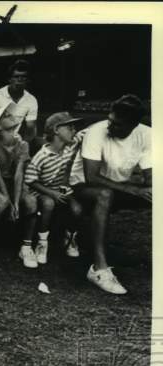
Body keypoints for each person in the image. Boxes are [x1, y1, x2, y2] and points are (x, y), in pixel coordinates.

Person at [68, 94, 152, 295]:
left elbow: (151, 177)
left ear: (134, 125)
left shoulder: (147, 135)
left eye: (118, 125)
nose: (110, 127)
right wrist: (132, 189)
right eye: (110, 120)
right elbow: (91, 177)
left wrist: (151, 189)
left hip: (117, 187)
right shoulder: (96, 132)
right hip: (81, 187)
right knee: (104, 195)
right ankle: (99, 269)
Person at [0, 103, 39, 269]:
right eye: (4, 116)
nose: (10, 116)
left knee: (31, 202)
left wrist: (17, 202)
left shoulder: (22, 144)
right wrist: (10, 202)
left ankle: (26, 247)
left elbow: (19, 174)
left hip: (13, 184)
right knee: (3, 201)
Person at [24, 111, 84, 266]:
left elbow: (83, 135)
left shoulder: (69, 148)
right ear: (56, 130)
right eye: (69, 128)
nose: (74, 131)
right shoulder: (42, 155)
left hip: (61, 189)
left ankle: (70, 238)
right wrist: (51, 193)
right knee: (48, 204)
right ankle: (42, 243)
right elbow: (30, 180)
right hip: (42, 190)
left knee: (77, 209)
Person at [0, 60, 38, 144]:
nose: (20, 80)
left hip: (16, 140)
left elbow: (30, 128)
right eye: (16, 76)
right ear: (9, 79)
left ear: (27, 80)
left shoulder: (31, 100)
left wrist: (24, 145)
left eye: (23, 77)